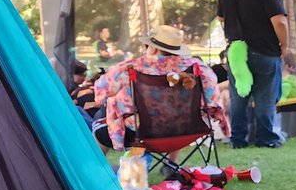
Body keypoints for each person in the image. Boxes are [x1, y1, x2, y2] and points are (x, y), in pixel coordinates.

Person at [91, 23, 228, 151]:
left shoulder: (131, 67)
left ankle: (97, 168)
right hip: (187, 129)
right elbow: (212, 97)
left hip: (140, 132)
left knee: (99, 130)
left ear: (153, 48)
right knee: (175, 111)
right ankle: (170, 164)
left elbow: (101, 92)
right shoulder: (197, 67)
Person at [217, 0, 289, 148]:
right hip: (265, 51)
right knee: (266, 97)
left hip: (237, 52)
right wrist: (284, 45)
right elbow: (280, 22)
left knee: (239, 97)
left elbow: (221, 18)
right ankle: (266, 139)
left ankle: (238, 139)